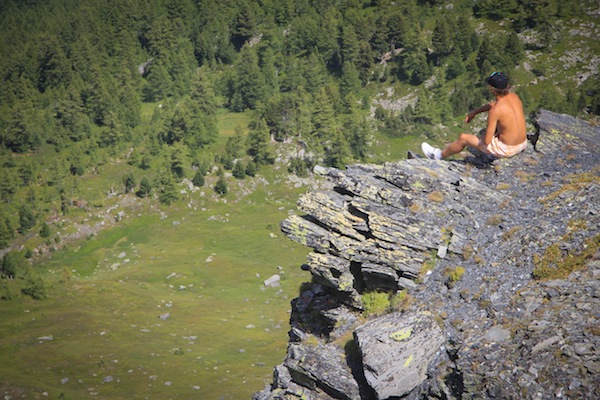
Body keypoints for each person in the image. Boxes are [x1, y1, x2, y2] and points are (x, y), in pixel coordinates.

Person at [421, 72, 527, 160]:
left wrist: (483, 136)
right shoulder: (514, 97)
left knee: (463, 138)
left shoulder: (495, 111)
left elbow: (486, 142)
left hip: (507, 149)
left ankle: (437, 155)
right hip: (522, 143)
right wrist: (475, 112)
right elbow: (493, 105)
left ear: (492, 88)